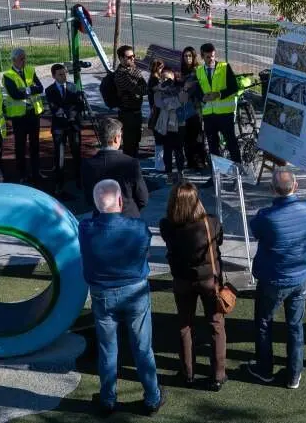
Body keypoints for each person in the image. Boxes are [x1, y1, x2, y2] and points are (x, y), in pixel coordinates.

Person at [79, 179, 165, 416]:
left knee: (108, 349)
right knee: (142, 347)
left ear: (96, 205)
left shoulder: (86, 229)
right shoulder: (136, 227)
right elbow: (145, 244)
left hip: (103, 295)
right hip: (134, 292)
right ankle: (152, 397)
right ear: (120, 201)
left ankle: (108, 399)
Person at [247, 169, 306, 388]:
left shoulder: (266, 217)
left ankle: (264, 369)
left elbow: (255, 231)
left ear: (272, 189)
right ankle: (294, 375)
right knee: (295, 326)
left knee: (264, 323)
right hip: (300, 278)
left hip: (273, 280)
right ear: (295, 187)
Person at [159, 182, 227, 391]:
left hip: (182, 281)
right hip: (209, 281)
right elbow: (220, 242)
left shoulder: (167, 226)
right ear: (197, 201)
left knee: (185, 325)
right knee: (216, 324)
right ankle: (218, 375)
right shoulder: (211, 223)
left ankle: (187, 373)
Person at [81, 118, 148, 218]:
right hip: (128, 216)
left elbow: (90, 199)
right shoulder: (131, 163)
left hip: (101, 217)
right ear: (116, 138)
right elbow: (143, 198)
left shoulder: (88, 164)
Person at [3, 47, 45, 182]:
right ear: (14, 60)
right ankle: (22, 174)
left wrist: (26, 90)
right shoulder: (8, 75)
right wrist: (30, 89)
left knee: (35, 145)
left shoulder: (30, 70)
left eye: (25, 58)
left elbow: (40, 87)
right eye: (21, 59)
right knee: (20, 146)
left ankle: (36, 172)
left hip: (33, 114)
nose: (24, 61)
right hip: (19, 117)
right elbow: (15, 95)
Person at [196, 43, 241, 165]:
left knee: (231, 144)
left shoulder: (224, 67)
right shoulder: (199, 70)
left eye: (213, 56)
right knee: (213, 147)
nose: (211, 59)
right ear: (202, 57)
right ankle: (216, 176)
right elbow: (198, 90)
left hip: (225, 114)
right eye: (208, 57)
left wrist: (219, 94)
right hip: (209, 115)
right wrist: (202, 97)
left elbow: (234, 88)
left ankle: (239, 175)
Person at [45, 64, 84, 199]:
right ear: (54, 76)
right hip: (59, 127)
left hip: (73, 125)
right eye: (60, 74)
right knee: (59, 156)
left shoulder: (73, 87)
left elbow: (79, 105)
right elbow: (54, 107)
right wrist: (66, 113)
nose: (63, 76)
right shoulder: (49, 90)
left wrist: (70, 115)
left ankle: (80, 180)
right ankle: (59, 184)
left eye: (64, 74)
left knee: (76, 153)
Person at [153, 67, 189, 183]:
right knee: (167, 150)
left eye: (168, 79)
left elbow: (183, 100)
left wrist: (173, 101)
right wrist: (160, 89)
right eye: (162, 78)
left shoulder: (179, 89)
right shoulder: (159, 91)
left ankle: (180, 172)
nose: (165, 81)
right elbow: (160, 104)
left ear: (173, 78)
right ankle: (169, 173)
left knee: (179, 150)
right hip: (166, 125)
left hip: (179, 124)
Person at [113, 44, 148, 158]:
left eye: (133, 56)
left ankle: (134, 166)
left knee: (136, 141)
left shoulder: (132, 69)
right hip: (127, 114)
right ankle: (129, 169)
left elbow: (142, 86)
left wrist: (139, 79)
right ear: (121, 58)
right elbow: (142, 89)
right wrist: (139, 79)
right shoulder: (121, 74)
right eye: (129, 57)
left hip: (136, 112)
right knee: (129, 144)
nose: (133, 59)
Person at [180, 47, 208, 170]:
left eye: (190, 56)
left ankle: (200, 160)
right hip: (185, 106)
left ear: (194, 56)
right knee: (187, 135)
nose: (187, 58)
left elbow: (201, 86)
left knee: (197, 135)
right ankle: (191, 160)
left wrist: (188, 86)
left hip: (196, 106)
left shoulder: (197, 70)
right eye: (185, 56)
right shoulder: (183, 70)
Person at [147, 59, 166, 172]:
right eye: (160, 68)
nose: (161, 70)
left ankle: (160, 163)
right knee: (160, 139)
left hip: (156, 112)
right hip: (157, 113)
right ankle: (159, 164)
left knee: (159, 139)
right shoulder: (154, 80)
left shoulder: (154, 79)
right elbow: (159, 89)